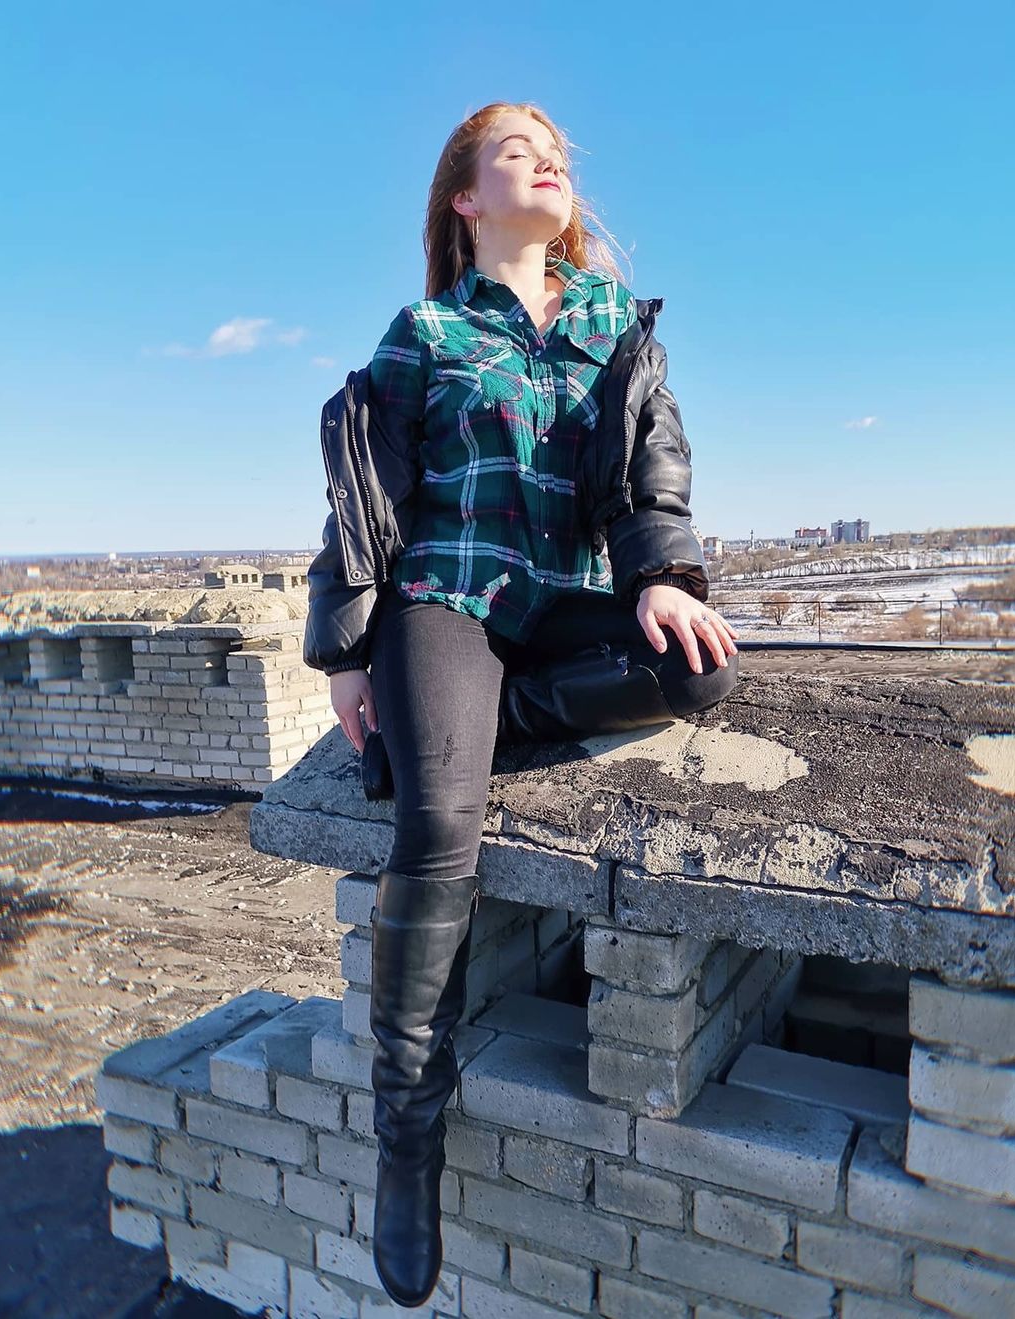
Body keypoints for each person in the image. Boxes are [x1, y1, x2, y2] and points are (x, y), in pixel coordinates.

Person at [303, 101, 740, 1309]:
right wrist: (349, 650)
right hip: (447, 594)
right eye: (516, 150)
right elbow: (363, 494)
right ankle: (407, 1127)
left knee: (700, 669)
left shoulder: (613, 325)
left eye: (556, 153)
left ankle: (444, 730)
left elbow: (654, 469)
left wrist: (660, 575)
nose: (547, 162)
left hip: (562, 600)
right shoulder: (429, 329)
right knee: (439, 825)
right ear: (466, 198)